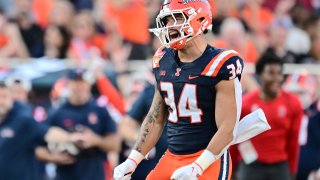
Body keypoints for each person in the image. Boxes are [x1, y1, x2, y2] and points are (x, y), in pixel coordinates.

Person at [114, 0, 245, 179]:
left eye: (176, 18)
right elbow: (156, 118)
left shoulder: (221, 63)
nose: (169, 26)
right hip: (172, 155)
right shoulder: (163, 58)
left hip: (209, 158)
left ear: (200, 20)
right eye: (167, 20)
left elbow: (227, 127)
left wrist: (197, 167)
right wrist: (132, 160)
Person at [36, 68, 121, 180]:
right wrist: (53, 157)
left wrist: (95, 140)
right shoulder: (57, 113)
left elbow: (115, 145)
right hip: (66, 174)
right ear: (68, 84)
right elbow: (37, 146)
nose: (79, 86)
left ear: (89, 85)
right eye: (75, 82)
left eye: (82, 82)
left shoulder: (100, 111)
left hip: (94, 174)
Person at [230, 51, 303, 180]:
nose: (276, 78)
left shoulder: (293, 103)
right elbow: (235, 140)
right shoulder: (246, 103)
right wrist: (233, 168)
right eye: (271, 73)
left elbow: (293, 141)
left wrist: (292, 170)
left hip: (280, 165)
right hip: (251, 166)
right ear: (260, 75)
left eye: (279, 73)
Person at [0, 81, 71, 180]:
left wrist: (72, 139)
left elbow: (48, 134)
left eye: (4, 97)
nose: (1, 101)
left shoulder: (23, 119)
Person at [118, 82, 167, 180]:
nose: (134, 98)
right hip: (145, 167)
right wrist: (143, 140)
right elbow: (124, 127)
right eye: (132, 94)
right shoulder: (150, 93)